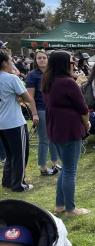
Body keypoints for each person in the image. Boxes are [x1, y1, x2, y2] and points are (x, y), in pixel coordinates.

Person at [42, 51, 90, 216]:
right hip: (69, 129)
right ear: (64, 64)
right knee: (70, 170)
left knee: (66, 169)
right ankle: (71, 209)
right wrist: (87, 123)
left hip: (55, 129)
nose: (74, 64)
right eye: (71, 62)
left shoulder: (48, 80)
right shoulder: (67, 83)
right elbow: (83, 108)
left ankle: (60, 205)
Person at [0, 50, 38, 192]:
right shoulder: (12, 78)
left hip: (1, 123)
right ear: (4, 62)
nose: (12, 64)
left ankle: (7, 181)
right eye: (10, 61)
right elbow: (27, 98)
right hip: (14, 122)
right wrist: (33, 112)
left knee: (10, 154)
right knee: (20, 154)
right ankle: (19, 184)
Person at [25, 50, 61, 176]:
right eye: (39, 58)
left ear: (48, 59)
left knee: (54, 137)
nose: (41, 60)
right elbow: (30, 97)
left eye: (44, 57)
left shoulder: (53, 73)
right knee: (44, 139)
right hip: (41, 110)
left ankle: (55, 162)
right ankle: (43, 167)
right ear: (35, 60)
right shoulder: (32, 75)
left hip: (54, 109)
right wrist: (34, 114)